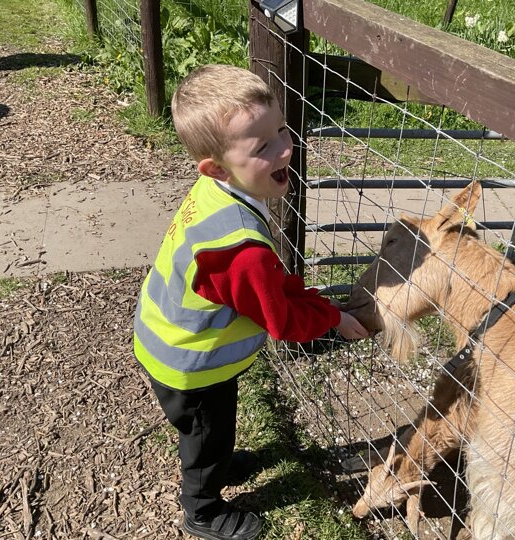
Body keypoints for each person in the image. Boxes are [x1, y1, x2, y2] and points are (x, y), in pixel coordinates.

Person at [133, 64, 369, 540]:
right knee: (207, 436)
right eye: (263, 147)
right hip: (191, 364)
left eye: (281, 129)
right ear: (217, 167)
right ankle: (201, 510)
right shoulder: (239, 250)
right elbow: (280, 320)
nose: (286, 147)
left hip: (171, 341)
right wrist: (333, 318)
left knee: (211, 432)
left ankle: (218, 463)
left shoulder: (218, 194)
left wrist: (308, 298)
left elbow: (265, 289)